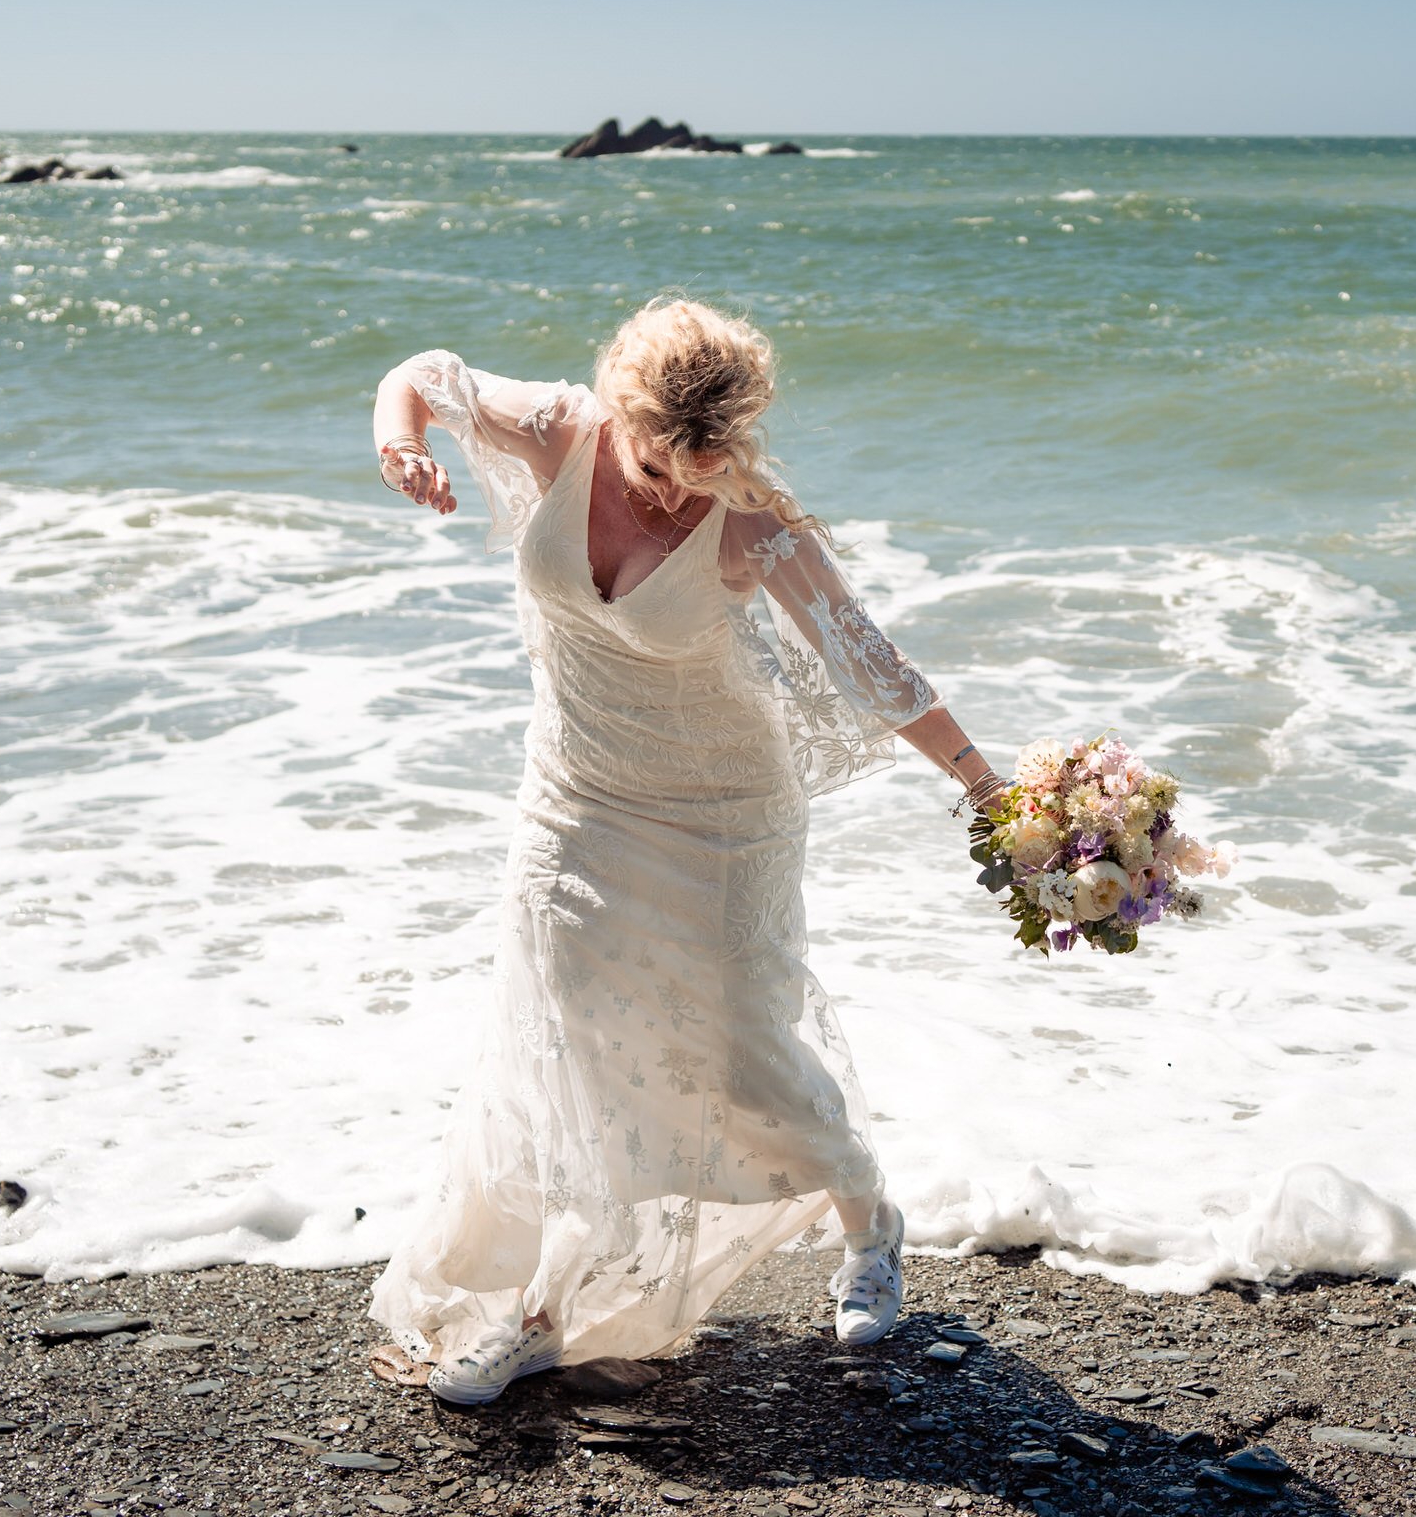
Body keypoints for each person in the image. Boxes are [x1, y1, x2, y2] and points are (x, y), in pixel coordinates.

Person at [362, 298, 1006, 1405]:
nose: (672, 489)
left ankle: (870, 1219)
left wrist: (994, 791)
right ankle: (539, 1310)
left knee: (746, 1055)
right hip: (574, 798)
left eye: (698, 465)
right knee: (561, 1045)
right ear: (617, 414)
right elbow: (425, 371)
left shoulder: (751, 523)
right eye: (656, 461)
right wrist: (400, 443)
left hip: (723, 816)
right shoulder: (557, 428)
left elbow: (877, 668)